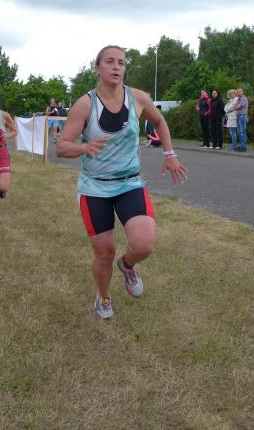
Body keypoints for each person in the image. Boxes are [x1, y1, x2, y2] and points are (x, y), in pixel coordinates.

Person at [56, 45, 188, 320]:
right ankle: (103, 296)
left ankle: (127, 266)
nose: (117, 66)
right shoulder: (85, 104)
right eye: (110, 61)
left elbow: (159, 122)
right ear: (98, 67)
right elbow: (62, 146)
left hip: (129, 183)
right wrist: (83, 147)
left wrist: (170, 154)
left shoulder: (138, 98)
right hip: (95, 187)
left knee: (144, 244)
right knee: (104, 252)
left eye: (121, 62)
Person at [235, 88, 249, 152]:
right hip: (238, 116)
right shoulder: (238, 99)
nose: (238, 93)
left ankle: (243, 146)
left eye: (239, 92)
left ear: (242, 92)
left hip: (242, 116)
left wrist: (236, 107)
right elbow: (235, 106)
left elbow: (238, 107)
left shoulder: (244, 99)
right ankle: (241, 146)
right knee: (239, 132)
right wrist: (235, 106)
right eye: (237, 92)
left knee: (242, 131)